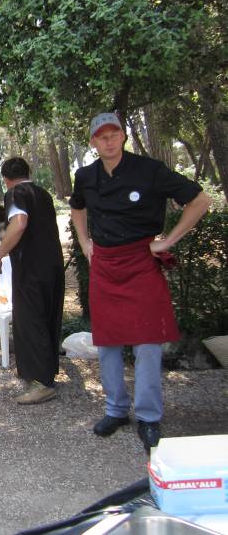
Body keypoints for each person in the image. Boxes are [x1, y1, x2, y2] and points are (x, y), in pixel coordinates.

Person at [70, 112, 211, 452]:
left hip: (141, 262)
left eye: (113, 134)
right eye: (101, 136)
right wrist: (85, 241)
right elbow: (77, 208)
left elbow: (200, 200)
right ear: (93, 142)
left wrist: (169, 240)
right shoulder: (86, 176)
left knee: (147, 342)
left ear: (123, 136)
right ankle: (116, 410)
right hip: (105, 264)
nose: (108, 140)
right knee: (107, 342)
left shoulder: (149, 170)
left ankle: (149, 416)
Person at [0, 157, 65, 405]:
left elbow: (19, 223)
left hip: (31, 267)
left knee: (30, 319)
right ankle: (46, 372)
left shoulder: (16, 193)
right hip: (53, 265)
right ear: (28, 172)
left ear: (6, 179)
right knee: (48, 316)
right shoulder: (44, 194)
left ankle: (41, 383)